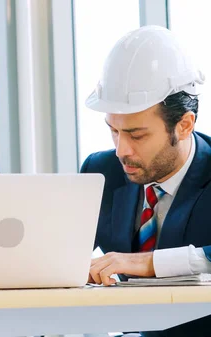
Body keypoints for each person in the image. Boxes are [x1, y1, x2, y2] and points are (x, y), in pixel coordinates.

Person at [80, 25, 210, 336]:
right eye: (114, 130)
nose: (121, 150)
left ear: (183, 125)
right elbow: (58, 254)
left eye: (137, 135)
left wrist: (149, 263)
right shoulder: (101, 170)